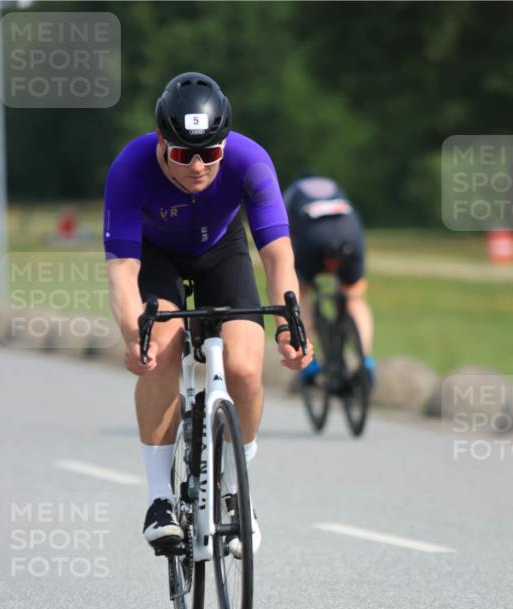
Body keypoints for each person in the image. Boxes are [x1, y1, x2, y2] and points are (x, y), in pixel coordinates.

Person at [103, 72, 311, 553]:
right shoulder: (130, 168)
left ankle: (238, 491)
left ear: (224, 144)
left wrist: (288, 324)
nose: (197, 166)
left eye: (209, 153)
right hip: (157, 259)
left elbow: (278, 255)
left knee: (243, 365)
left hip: (222, 252)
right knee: (161, 347)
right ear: (161, 142)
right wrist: (134, 336)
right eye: (182, 154)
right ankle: (159, 498)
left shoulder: (250, 160)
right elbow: (122, 272)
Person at [283, 175, 375, 384]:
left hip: (312, 238)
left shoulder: (291, 193)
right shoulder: (335, 187)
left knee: (302, 293)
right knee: (354, 296)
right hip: (350, 233)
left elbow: (281, 232)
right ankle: (366, 360)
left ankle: (308, 362)